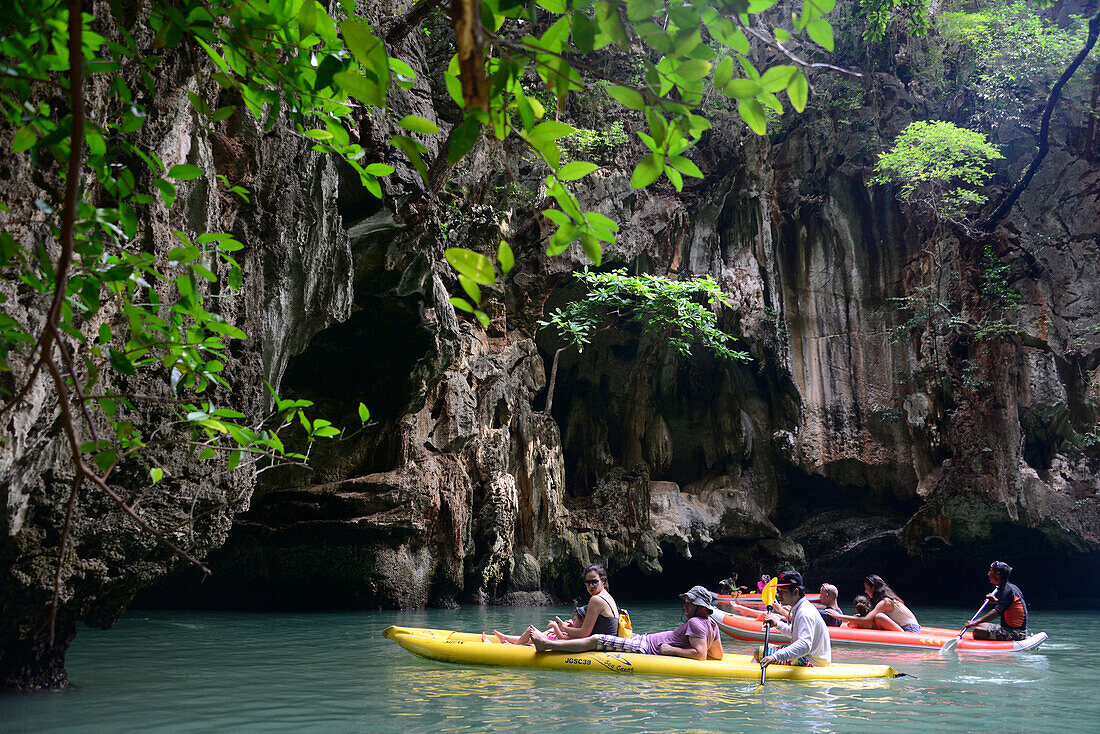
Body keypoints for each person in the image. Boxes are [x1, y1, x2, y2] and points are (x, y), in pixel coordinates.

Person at [529, 585, 723, 661]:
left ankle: (546, 644)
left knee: (597, 638)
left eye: (689, 603)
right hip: (645, 641)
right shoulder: (712, 624)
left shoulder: (697, 623)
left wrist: (671, 650)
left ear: (701, 607)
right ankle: (556, 637)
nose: (685, 606)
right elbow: (718, 655)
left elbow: (700, 655)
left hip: (647, 648)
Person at [493, 563, 619, 644]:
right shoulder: (607, 596)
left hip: (599, 645)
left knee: (540, 636)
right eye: (587, 582)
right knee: (544, 635)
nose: (590, 586)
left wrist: (564, 628)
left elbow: (584, 633)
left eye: (594, 582)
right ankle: (507, 639)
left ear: (603, 580)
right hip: (602, 641)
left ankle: (511, 647)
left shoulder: (596, 600)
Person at [756, 571, 831, 667]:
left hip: (812, 662)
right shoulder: (799, 607)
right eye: (778, 591)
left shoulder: (805, 612)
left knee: (758, 651)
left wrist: (775, 657)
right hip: (808, 656)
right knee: (767, 646)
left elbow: (804, 645)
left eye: (782, 591)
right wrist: (777, 624)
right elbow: (794, 633)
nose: (778, 595)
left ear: (795, 592)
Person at [823, 574, 920, 632]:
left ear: (873, 587)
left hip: (910, 630)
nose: (865, 591)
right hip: (908, 627)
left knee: (879, 617)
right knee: (877, 618)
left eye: (866, 588)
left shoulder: (885, 602)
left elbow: (866, 619)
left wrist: (838, 616)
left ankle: (902, 636)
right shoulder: (887, 599)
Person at [964, 561, 1029, 641]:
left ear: (997, 574)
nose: (988, 574)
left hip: (1016, 633)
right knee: (981, 626)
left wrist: (975, 622)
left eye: (990, 571)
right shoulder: (1006, 588)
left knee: (978, 631)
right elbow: (1008, 605)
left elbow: (996, 612)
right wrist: (996, 601)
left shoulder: (1008, 590)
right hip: (1007, 628)